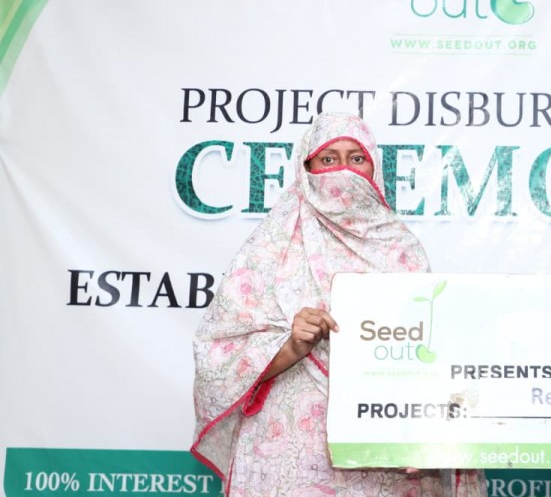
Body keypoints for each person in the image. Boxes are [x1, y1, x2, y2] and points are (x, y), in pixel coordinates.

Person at [191, 112, 485, 496]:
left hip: (384, 459)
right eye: (329, 159)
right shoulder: (269, 250)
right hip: (287, 455)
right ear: (307, 168)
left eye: (356, 158)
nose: (343, 170)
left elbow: (431, 359)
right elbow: (217, 362)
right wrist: (291, 345)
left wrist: (428, 432)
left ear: (374, 168)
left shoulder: (402, 249)